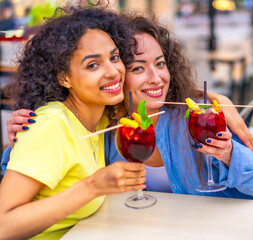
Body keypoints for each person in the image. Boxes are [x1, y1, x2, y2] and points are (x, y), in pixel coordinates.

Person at [2, 13, 253, 203]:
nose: (157, 77)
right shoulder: (103, 126)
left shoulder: (196, 118)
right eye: (139, 67)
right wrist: (22, 139)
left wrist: (229, 154)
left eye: (160, 64)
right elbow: (39, 174)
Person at [0, 6, 146, 239]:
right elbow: (3, 226)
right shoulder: (52, 125)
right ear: (64, 78)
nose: (113, 72)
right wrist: (93, 186)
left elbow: (156, 94)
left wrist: (212, 99)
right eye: (92, 65)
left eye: (114, 57)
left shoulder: (99, 116)